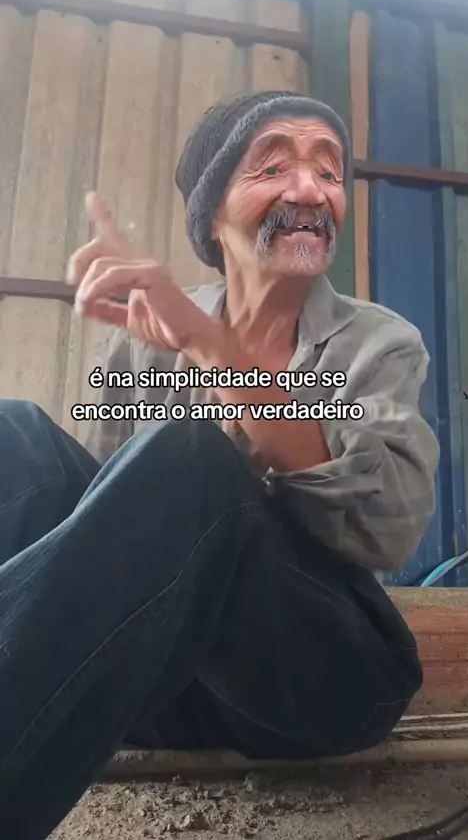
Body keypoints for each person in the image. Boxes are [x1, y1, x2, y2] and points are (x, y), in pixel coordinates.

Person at [0, 91, 439, 839]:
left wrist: (213, 349)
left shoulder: (379, 344)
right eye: (273, 166)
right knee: (14, 432)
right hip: (172, 688)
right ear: (210, 215)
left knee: (192, 453)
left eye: (330, 172)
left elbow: (386, 530)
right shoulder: (144, 343)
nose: (310, 191)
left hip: (321, 677)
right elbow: (99, 531)